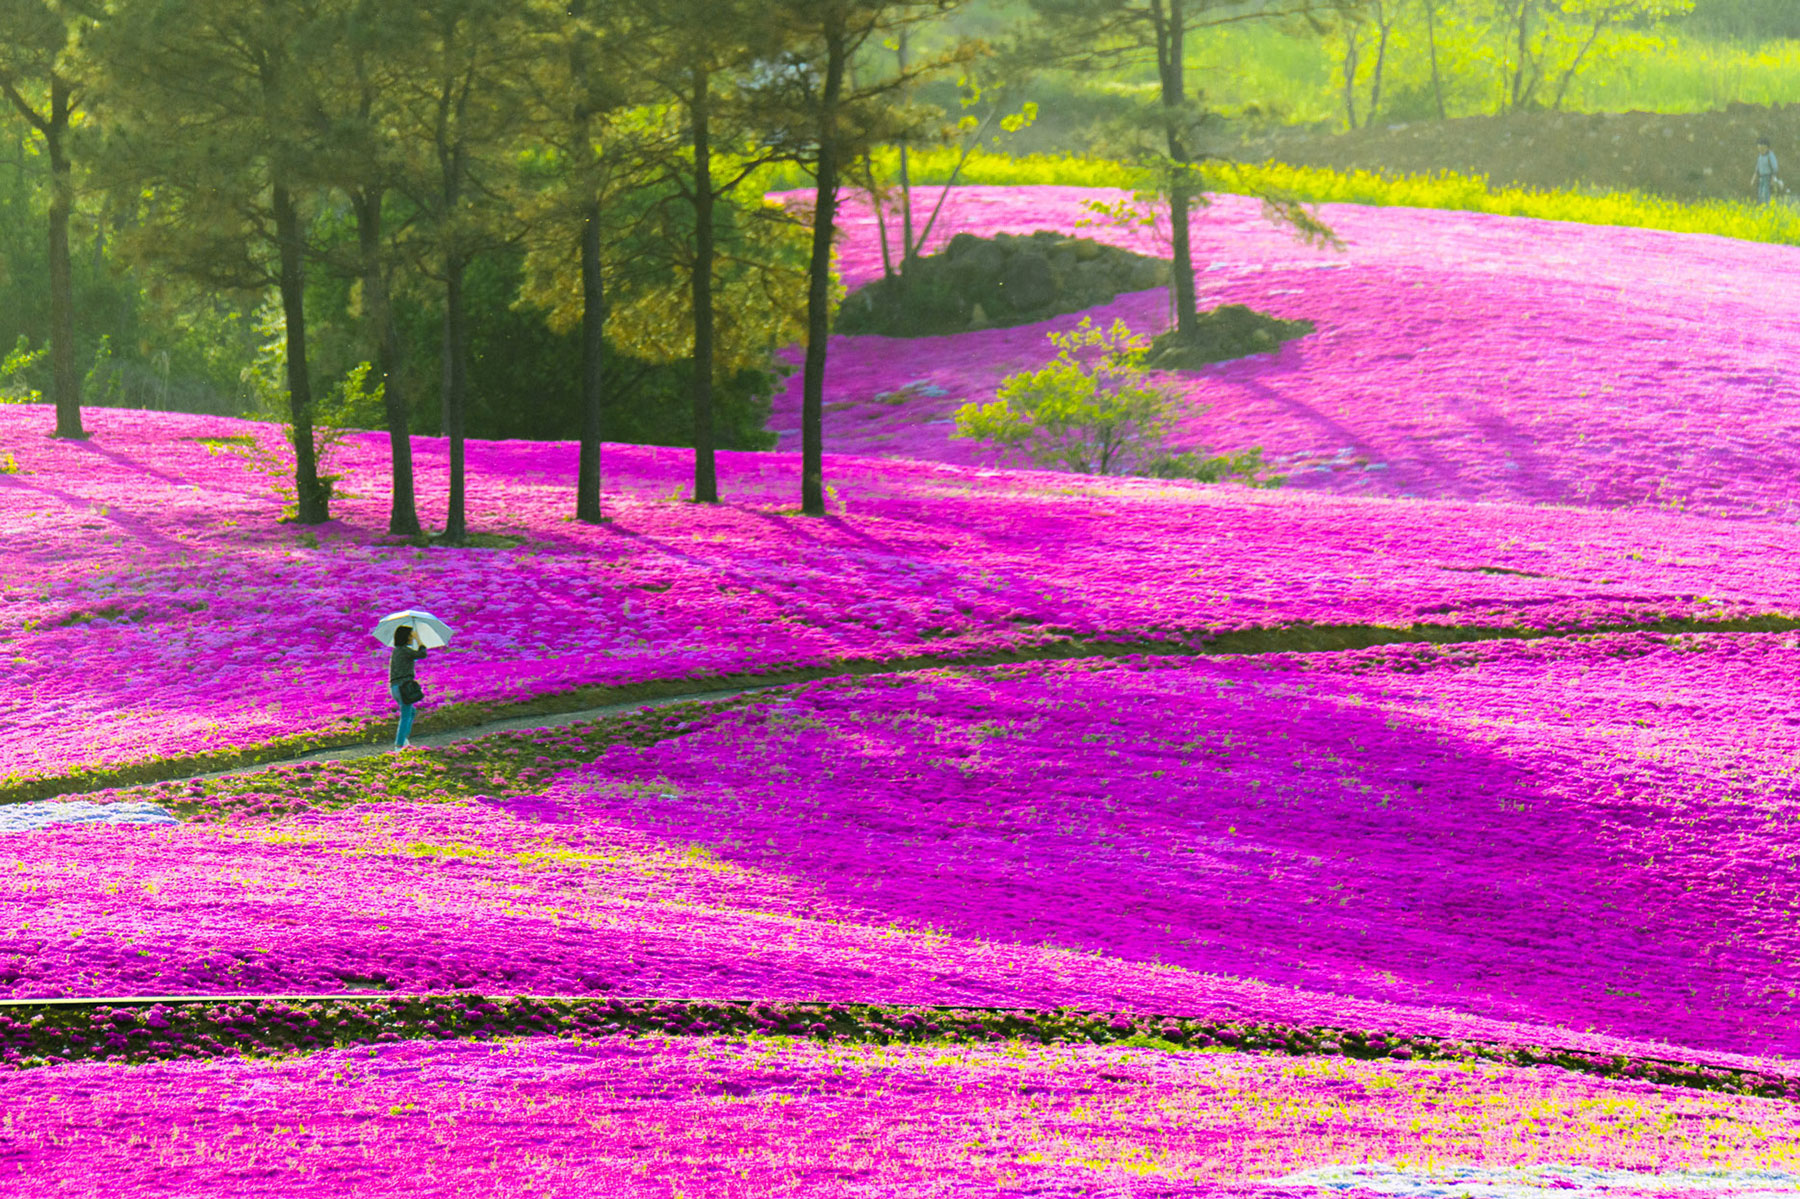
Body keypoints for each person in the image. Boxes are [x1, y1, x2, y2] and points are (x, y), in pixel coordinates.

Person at [388, 625, 428, 749]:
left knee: (411, 711)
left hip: (396, 687)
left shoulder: (398, 650)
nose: (412, 637)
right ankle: (399, 745)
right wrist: (419, 640)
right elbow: (422, 654)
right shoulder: (403, 650)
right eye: (411, 635)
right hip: (403, 687)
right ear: (406, 637)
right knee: (405, 715)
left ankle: (403, 740)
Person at [1753, 136, 1780, 206]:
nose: (1761, 150)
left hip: (1768, 177)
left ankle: (1767, 208)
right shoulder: (1760, 156)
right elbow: (1757, 168)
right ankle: (1761, 208)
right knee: (1760, 193)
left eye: (1762, 149)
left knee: (1766, 194)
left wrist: (1772, 178)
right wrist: (1753, 178)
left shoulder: (1770, 155)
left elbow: (1775, 167)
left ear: (1767, 147)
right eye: (1759, 149)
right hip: (1761, 178)